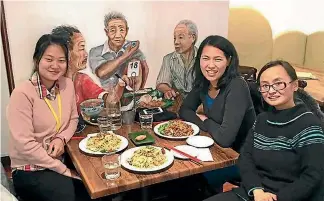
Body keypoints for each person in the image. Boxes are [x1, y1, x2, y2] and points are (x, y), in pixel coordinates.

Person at [204, 60, 324, 201]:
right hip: (254, 193)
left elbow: (313, 176)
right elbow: (246, 158)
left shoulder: (308, 124)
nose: (271, 91)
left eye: (278, 83)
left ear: (295, 85)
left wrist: (275, 198)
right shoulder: (262, 119)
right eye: (265, 86)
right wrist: (257, 190)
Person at [7, 34, 94, 201]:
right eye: (49, 59)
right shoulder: (22, 93)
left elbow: (73, 119)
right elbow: (25, 145)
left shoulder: (67, 85)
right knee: (79, 196)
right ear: (37, 60)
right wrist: (62, 169)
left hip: (61, 158)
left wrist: (61, 138)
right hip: (30, 169)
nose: (55, 65)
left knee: (96, 183)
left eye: (61, 60)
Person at [179, 35, 256, 152]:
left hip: (238, 156)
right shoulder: (204, 81)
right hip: (214, 146)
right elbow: (184, 110)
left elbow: (225, 139)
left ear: (228, 61)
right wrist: (212, 127)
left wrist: (205, 120)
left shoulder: (237, 86)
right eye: (205, 58)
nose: (210, 65)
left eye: (217, 59)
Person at [51, 25, 129, 115]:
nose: (86, 54)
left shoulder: (82, 80)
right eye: (81, 48)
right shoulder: (49, 83)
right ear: (65, 52)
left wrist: (120, 85)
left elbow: (108, 102)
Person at [89, 11, 149, 90]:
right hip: (106, 96)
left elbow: (145, 69)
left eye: (121, 30)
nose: (118, 35)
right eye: (113, 30)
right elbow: (101, 73)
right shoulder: (95, 52)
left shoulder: (134, 49)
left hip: (128, 96)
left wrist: (139, 91)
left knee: (135, 60)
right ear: (106, 32)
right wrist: (126, 55)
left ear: (126, 31)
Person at [156, 19, 198, 99]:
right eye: (174, 38)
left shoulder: (203, 58)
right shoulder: (168, 59)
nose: (176, 42)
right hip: (177, 103)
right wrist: (168, 90)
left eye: (180, 37)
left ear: (192, 38)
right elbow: (161, 83)